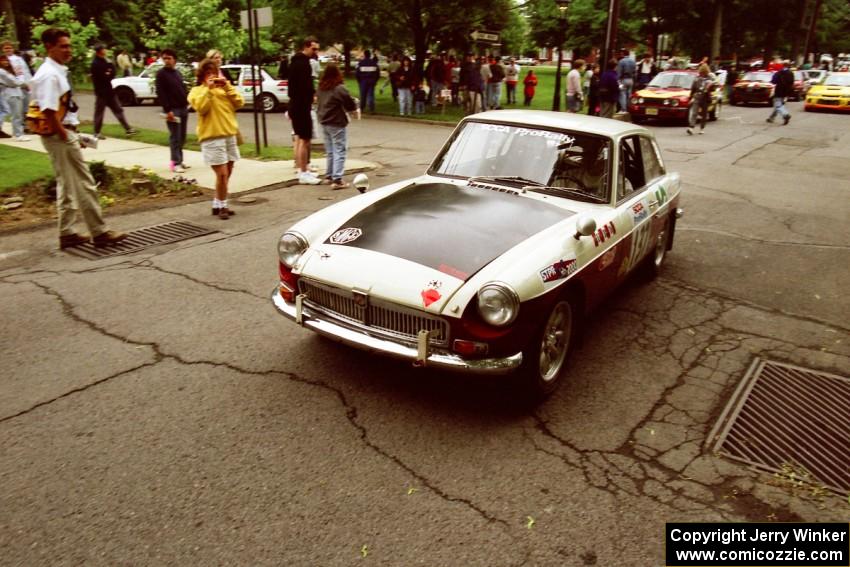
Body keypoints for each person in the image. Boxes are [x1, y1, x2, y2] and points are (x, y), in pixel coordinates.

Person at [30, 28, 128, 249]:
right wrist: (65, 134)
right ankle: (100, 231)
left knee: (66, 185)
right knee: (85, 183)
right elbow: (47, 109)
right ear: (49, 47)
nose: (68, 50)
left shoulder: (55, 71)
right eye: (63, 46)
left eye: (69, 45)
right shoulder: (49, 74)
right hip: (59, 134)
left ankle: (67, 233)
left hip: (61, 132)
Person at [187, 58, 244, 219]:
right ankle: (223, 206)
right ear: (202, 76)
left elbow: (239, 102)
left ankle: (217, 203)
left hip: (229, 134)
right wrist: (209, 91)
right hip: (212, 137)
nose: (212, 76)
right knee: (222, 174)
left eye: (214, 72)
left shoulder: (224, 89)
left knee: (228, 172)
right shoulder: (196, 91)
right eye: (208, 74)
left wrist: (226, 86)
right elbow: (201, 108)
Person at [317, 63, 358, 190]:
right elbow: (349, 103)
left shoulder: (321, 87)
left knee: (330, 150)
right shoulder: (339, 88)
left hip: (324, 120)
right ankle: (337, 179)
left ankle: (329, 176)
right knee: (340, 149)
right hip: (336, 121)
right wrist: (355, 107)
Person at [288, 37, 321, 184]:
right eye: (313, 49)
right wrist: (310, 96)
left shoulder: (297, 62)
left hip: (299, 105)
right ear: (306, 47)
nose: (315, 52)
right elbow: (303, 87)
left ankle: (305, 170)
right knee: (303, 139)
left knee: (304, 139)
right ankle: (303, 172)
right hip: (300, 105)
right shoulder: (302, 64)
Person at [90, 45, 137, 139]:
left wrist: (109, 72)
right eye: (103, 49)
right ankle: (97, 132)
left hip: (109, 91)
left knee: (118, 110)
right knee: (99, 112)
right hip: (101, 92)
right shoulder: (95, 63)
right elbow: (102, 77)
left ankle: (128, 129)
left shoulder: (106, 60)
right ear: (99, 51)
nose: (105, 51)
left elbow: (113, 72)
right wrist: (107, 73)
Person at [156, 48, 190, 173]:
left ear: (174, 59)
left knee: (182, 136)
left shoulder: (177, 73)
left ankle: (180, 160)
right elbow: (161, 93)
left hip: (183, 108)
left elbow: (182, 89)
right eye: (164, 58)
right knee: (175, 136)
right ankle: (175, 163)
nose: (166, 61)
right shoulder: (161, 74)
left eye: (169, 58)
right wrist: (167, 109)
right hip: (172, 109)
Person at [3, 40, 32, 135]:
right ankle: (18, 131)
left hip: (24, 85)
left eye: (10, 48)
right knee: (15, 111)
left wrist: (29, 83)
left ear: (13, 49)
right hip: (13, 87)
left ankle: (26, 127)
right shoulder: (3, 61)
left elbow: (25, 71)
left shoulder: (19, 59)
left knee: (26, 107)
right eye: (6, 48)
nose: (8, 50)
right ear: (2, 50)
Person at [0, 55, 27, 140]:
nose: (5, 62)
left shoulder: (8, 71)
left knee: (17, 114)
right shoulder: (2, 71)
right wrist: (23, 84)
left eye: (7, 61)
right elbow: (12, 82)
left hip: (15, 93)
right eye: (3, 61)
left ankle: (18, 133)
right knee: (16, 115)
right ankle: (18, 134)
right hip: (11, 94)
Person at [686, 64, 713, 135]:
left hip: (705, 98)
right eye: (701, 73)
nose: (702, 74)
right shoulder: (697, 78)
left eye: (703, 73)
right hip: (697, 96)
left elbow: (711, 88)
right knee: (694, 113)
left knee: (704, 114)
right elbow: (693, 88)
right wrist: (690, 97)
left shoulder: (709, 79)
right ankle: (691, 127)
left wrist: (708, 88)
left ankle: (702, 128)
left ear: (706, 72)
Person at [766, 61, 794, 125]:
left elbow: (774, 81)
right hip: (786, 91)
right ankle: (771, 118)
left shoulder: (779, 72)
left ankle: (786, 114)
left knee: (778, 105)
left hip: (779, 90)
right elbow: (791, 83)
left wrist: (772, 81)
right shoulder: (791, 73)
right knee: (779, 104)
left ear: (783, 65)